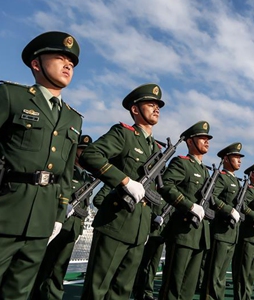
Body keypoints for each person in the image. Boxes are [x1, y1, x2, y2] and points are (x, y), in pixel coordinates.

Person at [0, 31, 82, 299]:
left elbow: (66, 173)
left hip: (42, 219)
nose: (68, 64)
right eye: (60, 57)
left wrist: (58, 215)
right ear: (36, 63)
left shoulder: (73, 118)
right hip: (4, 211)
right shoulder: (12, 96)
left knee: (19, 292)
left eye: (71, 62)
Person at [79, 83, 165, 299]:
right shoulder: (123, 134)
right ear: (135, 109)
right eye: (150, 104)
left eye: (158, 106)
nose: (156, 109)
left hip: (139, 227)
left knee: (122, 291)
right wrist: (124, 180)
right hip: (115, 223)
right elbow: (91, 155)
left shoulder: (156, 149)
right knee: (97, 290)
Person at [31, 135, 93, 299]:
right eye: (82, 150)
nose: (84, 154)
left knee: (60, 267)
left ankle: (53, 295)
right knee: (45, 263)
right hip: (59, 222)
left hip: (74, 227)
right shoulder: (65, 171)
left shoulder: (87, 177)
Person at [158, 121, 213, 300]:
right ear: (190, 141)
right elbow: (165, 186)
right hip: (182, 231)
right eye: (202, 138)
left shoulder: (205, 171)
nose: (206, 141)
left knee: (188, 287)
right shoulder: (182, 163)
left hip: (200, 234)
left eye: (207, 139)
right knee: (173, 284)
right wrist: (189, 205)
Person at [200, 142, 245, 300]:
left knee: (221, 275)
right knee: (214, 273)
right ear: (226, 159)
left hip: (231, 234)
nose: (239, 160)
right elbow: (212, 197)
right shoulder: (221, 177)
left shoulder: (237, 181)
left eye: (240, 158)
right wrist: (229, 210)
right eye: (236, 157)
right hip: (220, 232)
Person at [231, 161, 254, 300]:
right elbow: (242, 206)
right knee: (243, 272)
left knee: (250, 273)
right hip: (247, 236)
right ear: (252, 175)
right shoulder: (248, 190)